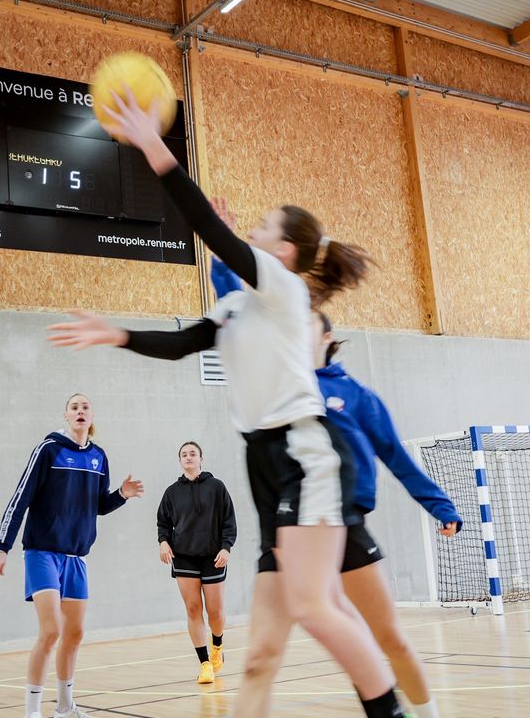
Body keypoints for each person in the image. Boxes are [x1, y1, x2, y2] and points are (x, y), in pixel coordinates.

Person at [46, 89, 406, 718]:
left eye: (263, 225)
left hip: (303, 454)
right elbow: (186, 342)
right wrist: (116, 334)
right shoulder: (240, 304)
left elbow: (211, 230)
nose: (252, 229)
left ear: (283, 251)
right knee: (260, 653)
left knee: (316, 607)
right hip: (265, 464)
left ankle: (390, 711)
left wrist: (154, 146)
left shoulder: (283, 287)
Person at [212, 245, 462, 718]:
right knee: (260, 659)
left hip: (341, 524)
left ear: (327, 336)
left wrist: (440, 506)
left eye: (305, 323)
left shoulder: (355, 396)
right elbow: (234, 308)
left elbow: (396, 457)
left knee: (388, 639)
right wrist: (220, 252)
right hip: (286, 526)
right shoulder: (278, 385)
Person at [0, 393, 145, 718]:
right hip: (42, 552)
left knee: (74, 633)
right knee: (51, 631)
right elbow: (20, 498)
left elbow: (98, 505)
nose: (80, 411)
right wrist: (2, 546)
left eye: (85, 407)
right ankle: (32, 712)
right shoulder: (49, 449)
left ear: (91, 416)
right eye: (74, 407)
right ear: (66, 415)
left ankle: (64, 707)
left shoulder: (99, 456)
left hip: (76, 557)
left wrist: (121, 495)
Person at [156, 440, 237, 684]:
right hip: (183, 556)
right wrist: (163, 542)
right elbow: (163, 522)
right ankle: (204, 663)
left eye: (193, 453)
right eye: (184, 454)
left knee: (215, 611)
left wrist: (226, 547)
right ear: (180, 460)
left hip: (213, 556)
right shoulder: (172, 492)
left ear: (201, 459)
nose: (188, 457)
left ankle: (217, 646)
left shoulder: (216, 487)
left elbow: (229, 521)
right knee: (193, 609)